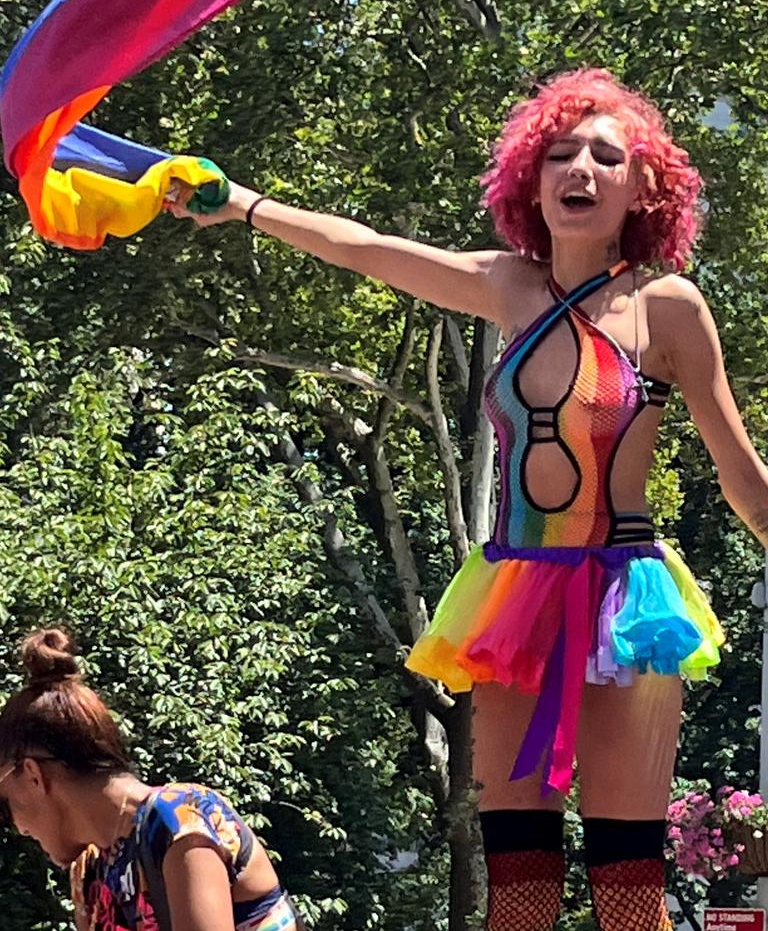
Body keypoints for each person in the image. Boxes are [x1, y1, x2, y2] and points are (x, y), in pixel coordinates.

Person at [167, 68, 768, 931]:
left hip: (625, 603)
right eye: (562, 153)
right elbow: (363, 248)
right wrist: (243, 203)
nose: (582, 170)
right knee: (517, 885)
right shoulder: (504, 284)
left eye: (608, 156)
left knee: (627, 890)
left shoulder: (666, 307)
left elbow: (743, 478)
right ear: (532, 176)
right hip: (515, 592)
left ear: (644, 187)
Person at [0, 627, 303, 931]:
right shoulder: (89, 869)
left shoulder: (179, 820)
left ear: (32, 775)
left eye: (5, 802)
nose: (17, 826)